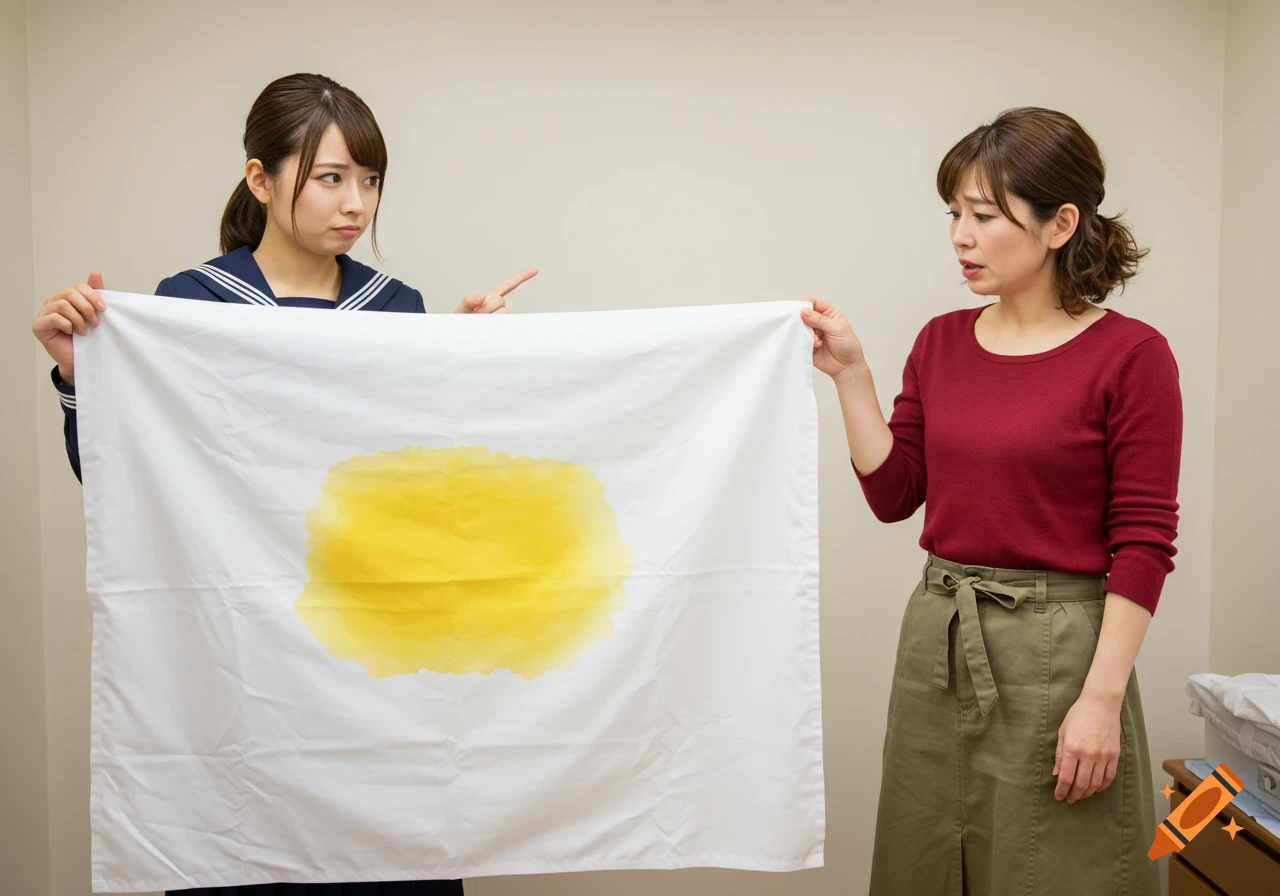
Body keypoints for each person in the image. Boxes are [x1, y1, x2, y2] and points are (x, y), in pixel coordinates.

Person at [30, 72, 536, 896]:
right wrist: (84, 380)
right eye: (332, 177)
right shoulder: (189, 307)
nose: (357, 204)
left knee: (391, 858)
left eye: (369, 181)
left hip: (374, 662)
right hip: (240, 657)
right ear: (260, 180)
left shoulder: (394, 308)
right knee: (243, 848)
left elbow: (426, 491)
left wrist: (465, 364)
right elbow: (131, 487)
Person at [802, 107, 1179, 895]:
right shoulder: (940, 341)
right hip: (938, 643)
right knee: (927, 857)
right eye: (954, 215)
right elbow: (895, 494)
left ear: (1059, 223)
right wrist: (852, 377)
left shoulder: (1133, 356)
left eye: (983, 216)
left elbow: (1143, 542)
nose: (960, 237)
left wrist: (1101, 701)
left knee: (1056, 869)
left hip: (1060, 656)